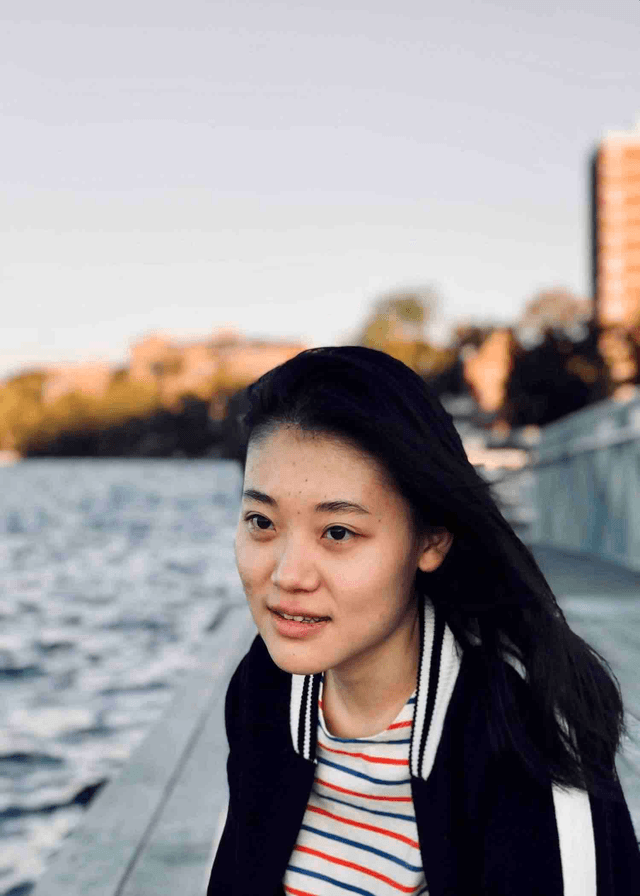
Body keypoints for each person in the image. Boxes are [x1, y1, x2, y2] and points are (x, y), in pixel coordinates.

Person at [207, 345, 640, 896]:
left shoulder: (526, 737)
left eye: (338, 532)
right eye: (261, 522)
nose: (288, 575)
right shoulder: (265, 690)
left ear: (431, 538)